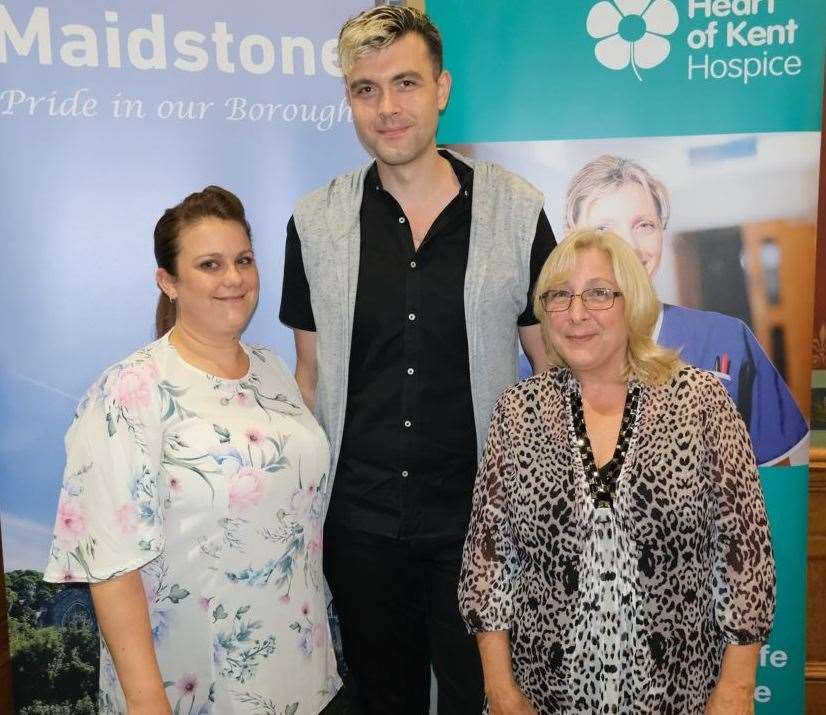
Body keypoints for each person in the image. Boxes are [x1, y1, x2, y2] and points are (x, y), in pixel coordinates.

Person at [278, 6, 555, 713]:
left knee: (479, 699)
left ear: (442, 88)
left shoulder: (517, 211)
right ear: (350, 101)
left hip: (481, 526)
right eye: (366, 89)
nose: (388, 107)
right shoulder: (313, 223)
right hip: (360, 526)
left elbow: (553, 371)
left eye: (405, 83)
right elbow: (308, 379)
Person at [44, 187, 340, 714]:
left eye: (243, 260)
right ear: (169, 282)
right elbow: (110, 567)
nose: (234, 279)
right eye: (210, 264)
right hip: (190, 688)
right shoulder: (127, 393)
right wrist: (146, 703)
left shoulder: (273, 371)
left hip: (299, 679)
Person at [459, 229, 775, 714]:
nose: (577, 312)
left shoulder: (701, 403)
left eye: (599, 293)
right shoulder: (518, 412)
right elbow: (490, 562)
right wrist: (500, 689)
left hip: (680, 697)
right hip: (544, 698)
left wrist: (734, 690)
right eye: (560, 295)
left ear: (633, 301)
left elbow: (744, 555)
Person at [563, 154, 808, 466]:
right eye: (603, 228)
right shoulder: (536, 364)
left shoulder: (726, 339)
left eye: (644, 225)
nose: (629, 247)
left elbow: (784, 469)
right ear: (573, 239)